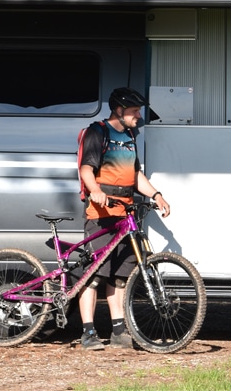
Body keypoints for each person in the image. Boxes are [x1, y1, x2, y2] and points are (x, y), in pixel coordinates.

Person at [77, 87, 170, 350]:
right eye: (134, 111)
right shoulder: (99, 132)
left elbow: (136, 174)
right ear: (119, 110)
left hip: (124, 216)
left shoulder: (130, 136)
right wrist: (95, 191)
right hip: (101, 216)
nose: (139, 116)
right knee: (93, 276)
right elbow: (86, 168)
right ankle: (88, 333)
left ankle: (118, 331)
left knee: (119, 277)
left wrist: (156, 195)